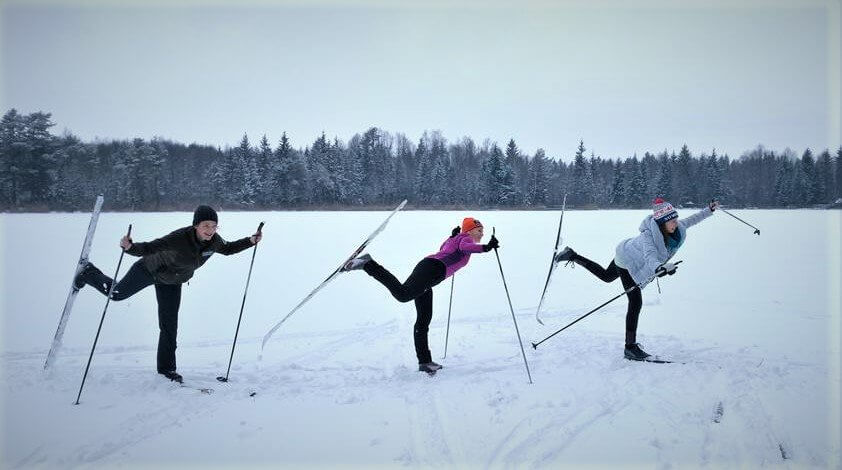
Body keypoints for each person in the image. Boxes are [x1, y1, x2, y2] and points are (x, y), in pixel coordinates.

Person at [74, 205, 263, 383]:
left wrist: (250, 241)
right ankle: (89, 273)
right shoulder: (179, 238)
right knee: (116, 294)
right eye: (206, 225)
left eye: (214, 226)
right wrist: (131, 247)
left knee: (169, 326)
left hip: (172, 281)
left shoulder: (214, 241)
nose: (210, 230)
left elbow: (228, 249)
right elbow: (150, 247)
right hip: (149, 270)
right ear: (196, 225)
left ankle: (167, 369)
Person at [555, 198, 719, 361]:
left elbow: (692, 220)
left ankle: (572, 255)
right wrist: (659, 268)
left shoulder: (677, 228)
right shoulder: (649, 236)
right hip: (627, 261)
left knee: (606, 276)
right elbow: (650, 256)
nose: (675, 223)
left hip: (627, 252)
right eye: (672, 221)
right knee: (635, 301)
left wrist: (709, 210)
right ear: (662, 222)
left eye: (676, 219)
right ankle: (630, 348)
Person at [342, 217, 499, 375]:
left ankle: (425, 362)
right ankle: (368, 264)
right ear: (469, 231)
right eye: (479, 231)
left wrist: (452, 237)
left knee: (424, 319)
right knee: (403, 295)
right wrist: (486, 248)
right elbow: (467, 247)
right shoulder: (465, 240)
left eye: (482, 231)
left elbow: (444, 248)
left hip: (429, 269)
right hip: (432, 270)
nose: (482, 234)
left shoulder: (456, 238)